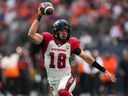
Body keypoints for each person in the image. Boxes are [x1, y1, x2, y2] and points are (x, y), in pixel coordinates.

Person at [28, 3, 117, 96]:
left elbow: (86, 57)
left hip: (66, 77)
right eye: (61, 30)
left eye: (66, 30)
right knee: (60, 93)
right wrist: (39, 15)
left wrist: (104, 70)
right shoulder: (47, 39)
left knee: (63, 92)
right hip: (52, 80)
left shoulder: (71, 43)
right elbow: (31, 34)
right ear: (55, 31)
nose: (64, 33)